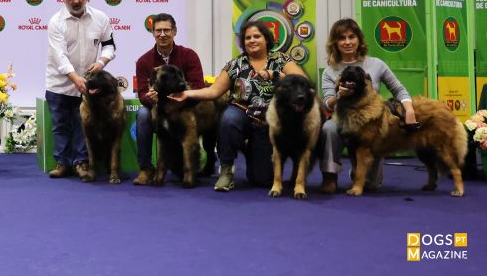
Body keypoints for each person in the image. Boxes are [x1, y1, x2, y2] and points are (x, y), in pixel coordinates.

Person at [173, 20, 305, 191]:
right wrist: (187, 94)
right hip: (241, 114)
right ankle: (226, 171)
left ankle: (250, 150)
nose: (252, 40)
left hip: (268, 122)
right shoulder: (235, 64)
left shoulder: (281, 59)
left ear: (266, 39)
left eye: (257, 36)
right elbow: (213, 91)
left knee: (262, 180)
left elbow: (301, 81)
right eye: (248, 38)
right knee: (228, 118)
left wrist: (275, 74)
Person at [318, 17, 416, 194]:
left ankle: (359, 171)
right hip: (343, 120)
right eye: (342, 38)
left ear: (359, 39)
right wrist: (339, 95)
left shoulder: (376, 64)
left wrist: (409, 110)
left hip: (371, 124)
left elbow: (399, 89)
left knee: (371, 185)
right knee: (328, 128)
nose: (347, 42)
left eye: (351, 37)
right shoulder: (330, 70)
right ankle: (330, 177)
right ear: (335, 43)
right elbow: (328, 102)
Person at [44, 0, 115, 179]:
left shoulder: (101, 18)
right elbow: (59, 56)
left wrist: (101, 62)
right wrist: (75, 78)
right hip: (59, 85)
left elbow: (109, 45)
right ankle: (62, 163)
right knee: (60, 126)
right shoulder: (56, 22)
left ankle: (82, 163)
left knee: (84, 126)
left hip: (89, 86)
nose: (76, 0)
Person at [132, 13, 206, 185]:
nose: (162, 34)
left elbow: (198, 87)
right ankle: (145, 168)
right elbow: (142, 94)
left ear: (174, 31)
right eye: (158, 31)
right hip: (159, 108)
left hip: (185, 107)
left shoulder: (189, 55)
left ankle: (197, 167)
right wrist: (150, 98)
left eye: (167, 30)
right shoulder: (143, 61)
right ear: (153, 33)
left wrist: (180, 99)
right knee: (143, 114)